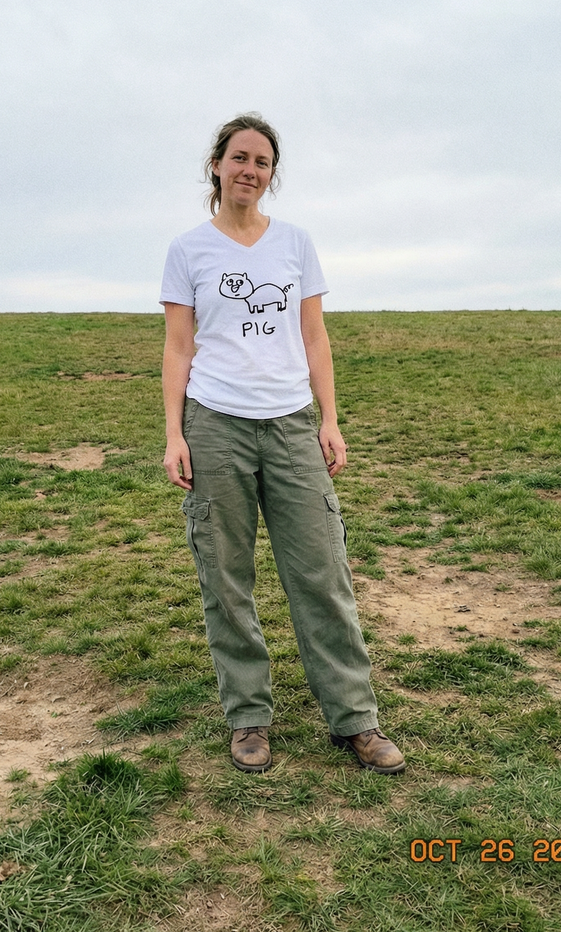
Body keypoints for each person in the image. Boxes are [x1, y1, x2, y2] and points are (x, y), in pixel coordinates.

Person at [159, 113, 405, 775]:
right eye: (239, 158)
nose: (250, 170)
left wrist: (330, 418)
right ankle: (248, 719)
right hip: (216, 428)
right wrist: (175, 434)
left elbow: (316, 336)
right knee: (227, 580)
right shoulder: (189, 251)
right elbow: (179, 347)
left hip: (292, 425)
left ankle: (355, 718)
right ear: (217, 166)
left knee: (322, 572)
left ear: (271, 175)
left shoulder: (295, 244)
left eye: (262, 162)